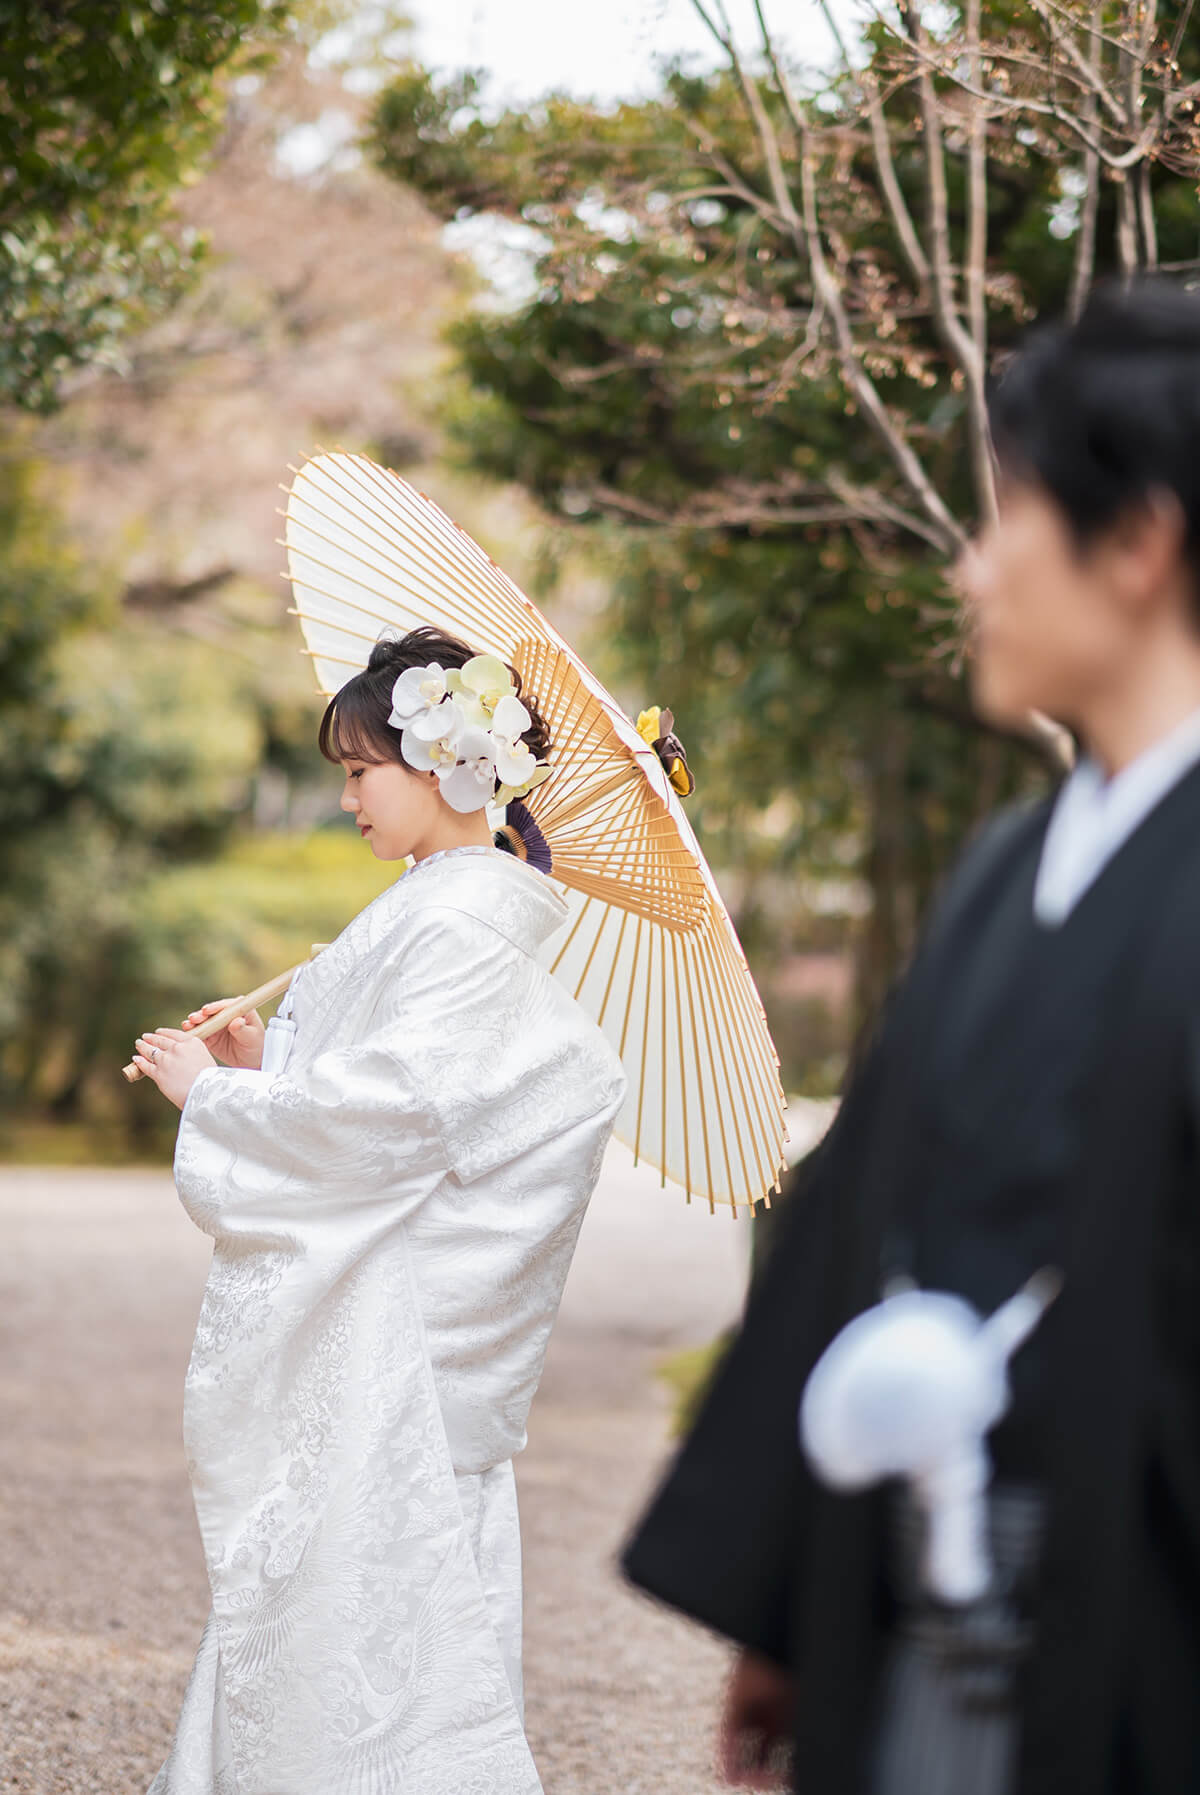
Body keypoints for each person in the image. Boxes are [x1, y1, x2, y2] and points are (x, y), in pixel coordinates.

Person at [622, 278, 1200, 1795]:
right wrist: (787, 1598)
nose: (970, 572)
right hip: (909, 1577)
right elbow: (858, 1213)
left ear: (1139, 540)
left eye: (1005, 517)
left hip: (1151, 1621)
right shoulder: (1010, 863)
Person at [132, 626, 626, 1795]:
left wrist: (221, 1105)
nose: (347, 796)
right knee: (334, 1626)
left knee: (351, 1629)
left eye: (362, 771)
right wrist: (264, 1070)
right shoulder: (439, 904)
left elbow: (398, 1113)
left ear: (448, 766)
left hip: (402, 1352)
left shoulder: (458, 918)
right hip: (405, 1350)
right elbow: (381, 1088)